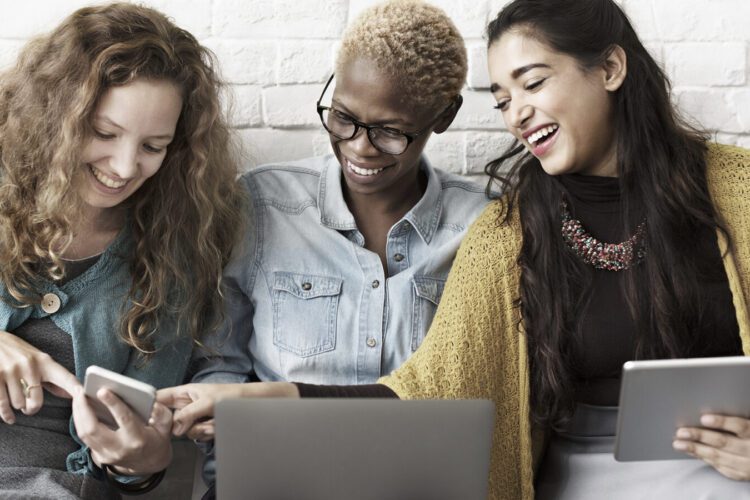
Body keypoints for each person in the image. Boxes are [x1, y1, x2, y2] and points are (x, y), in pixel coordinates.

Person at [161, 0, 750, 499]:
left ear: (611, 68)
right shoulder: (508, 233)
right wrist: (261, 399)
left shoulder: (736, 190)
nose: (517, 113)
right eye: (502, 98)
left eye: (534, 82)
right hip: (582, 478)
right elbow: (428, 387)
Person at [157, 0, 489, 490]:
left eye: (391, 132)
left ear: (445, 116)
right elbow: (219, 365)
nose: (359, 147)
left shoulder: (484, 227)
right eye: (343, 118)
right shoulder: (263, 205)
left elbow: (474, 390)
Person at [0, 3, 242, 498]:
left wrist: (143, 462)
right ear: (56, 117)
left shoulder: (174, 253)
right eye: (105, 134)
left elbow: (132, 463)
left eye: (153, 146)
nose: (126, 166)